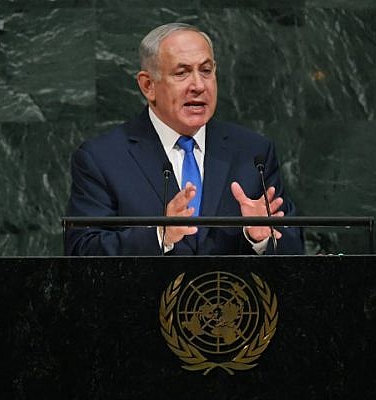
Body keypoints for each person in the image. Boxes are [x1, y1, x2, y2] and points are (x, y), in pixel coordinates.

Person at [65, 23, 304, 256]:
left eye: (206, 71)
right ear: (148, 85)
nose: (199, 85)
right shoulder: (103, 158)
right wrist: (159, 235)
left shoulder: (254, 154)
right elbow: (81, 250)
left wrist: (259, 238)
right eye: (182, 73)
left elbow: (294, 248)